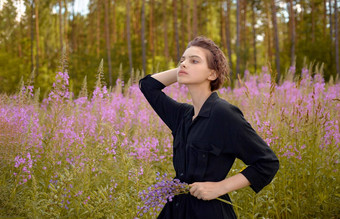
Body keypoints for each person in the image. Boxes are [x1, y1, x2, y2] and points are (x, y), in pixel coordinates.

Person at [139, 36, 279, 219]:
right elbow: (147, 86)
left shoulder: (224, 114)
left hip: (208, 212)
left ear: (212, 74)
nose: (184, 64)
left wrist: (220, 187)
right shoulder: (182, 115)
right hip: (177, 209)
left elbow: (267, 163)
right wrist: (184, 68)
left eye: (194, 60)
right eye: (182, 60)